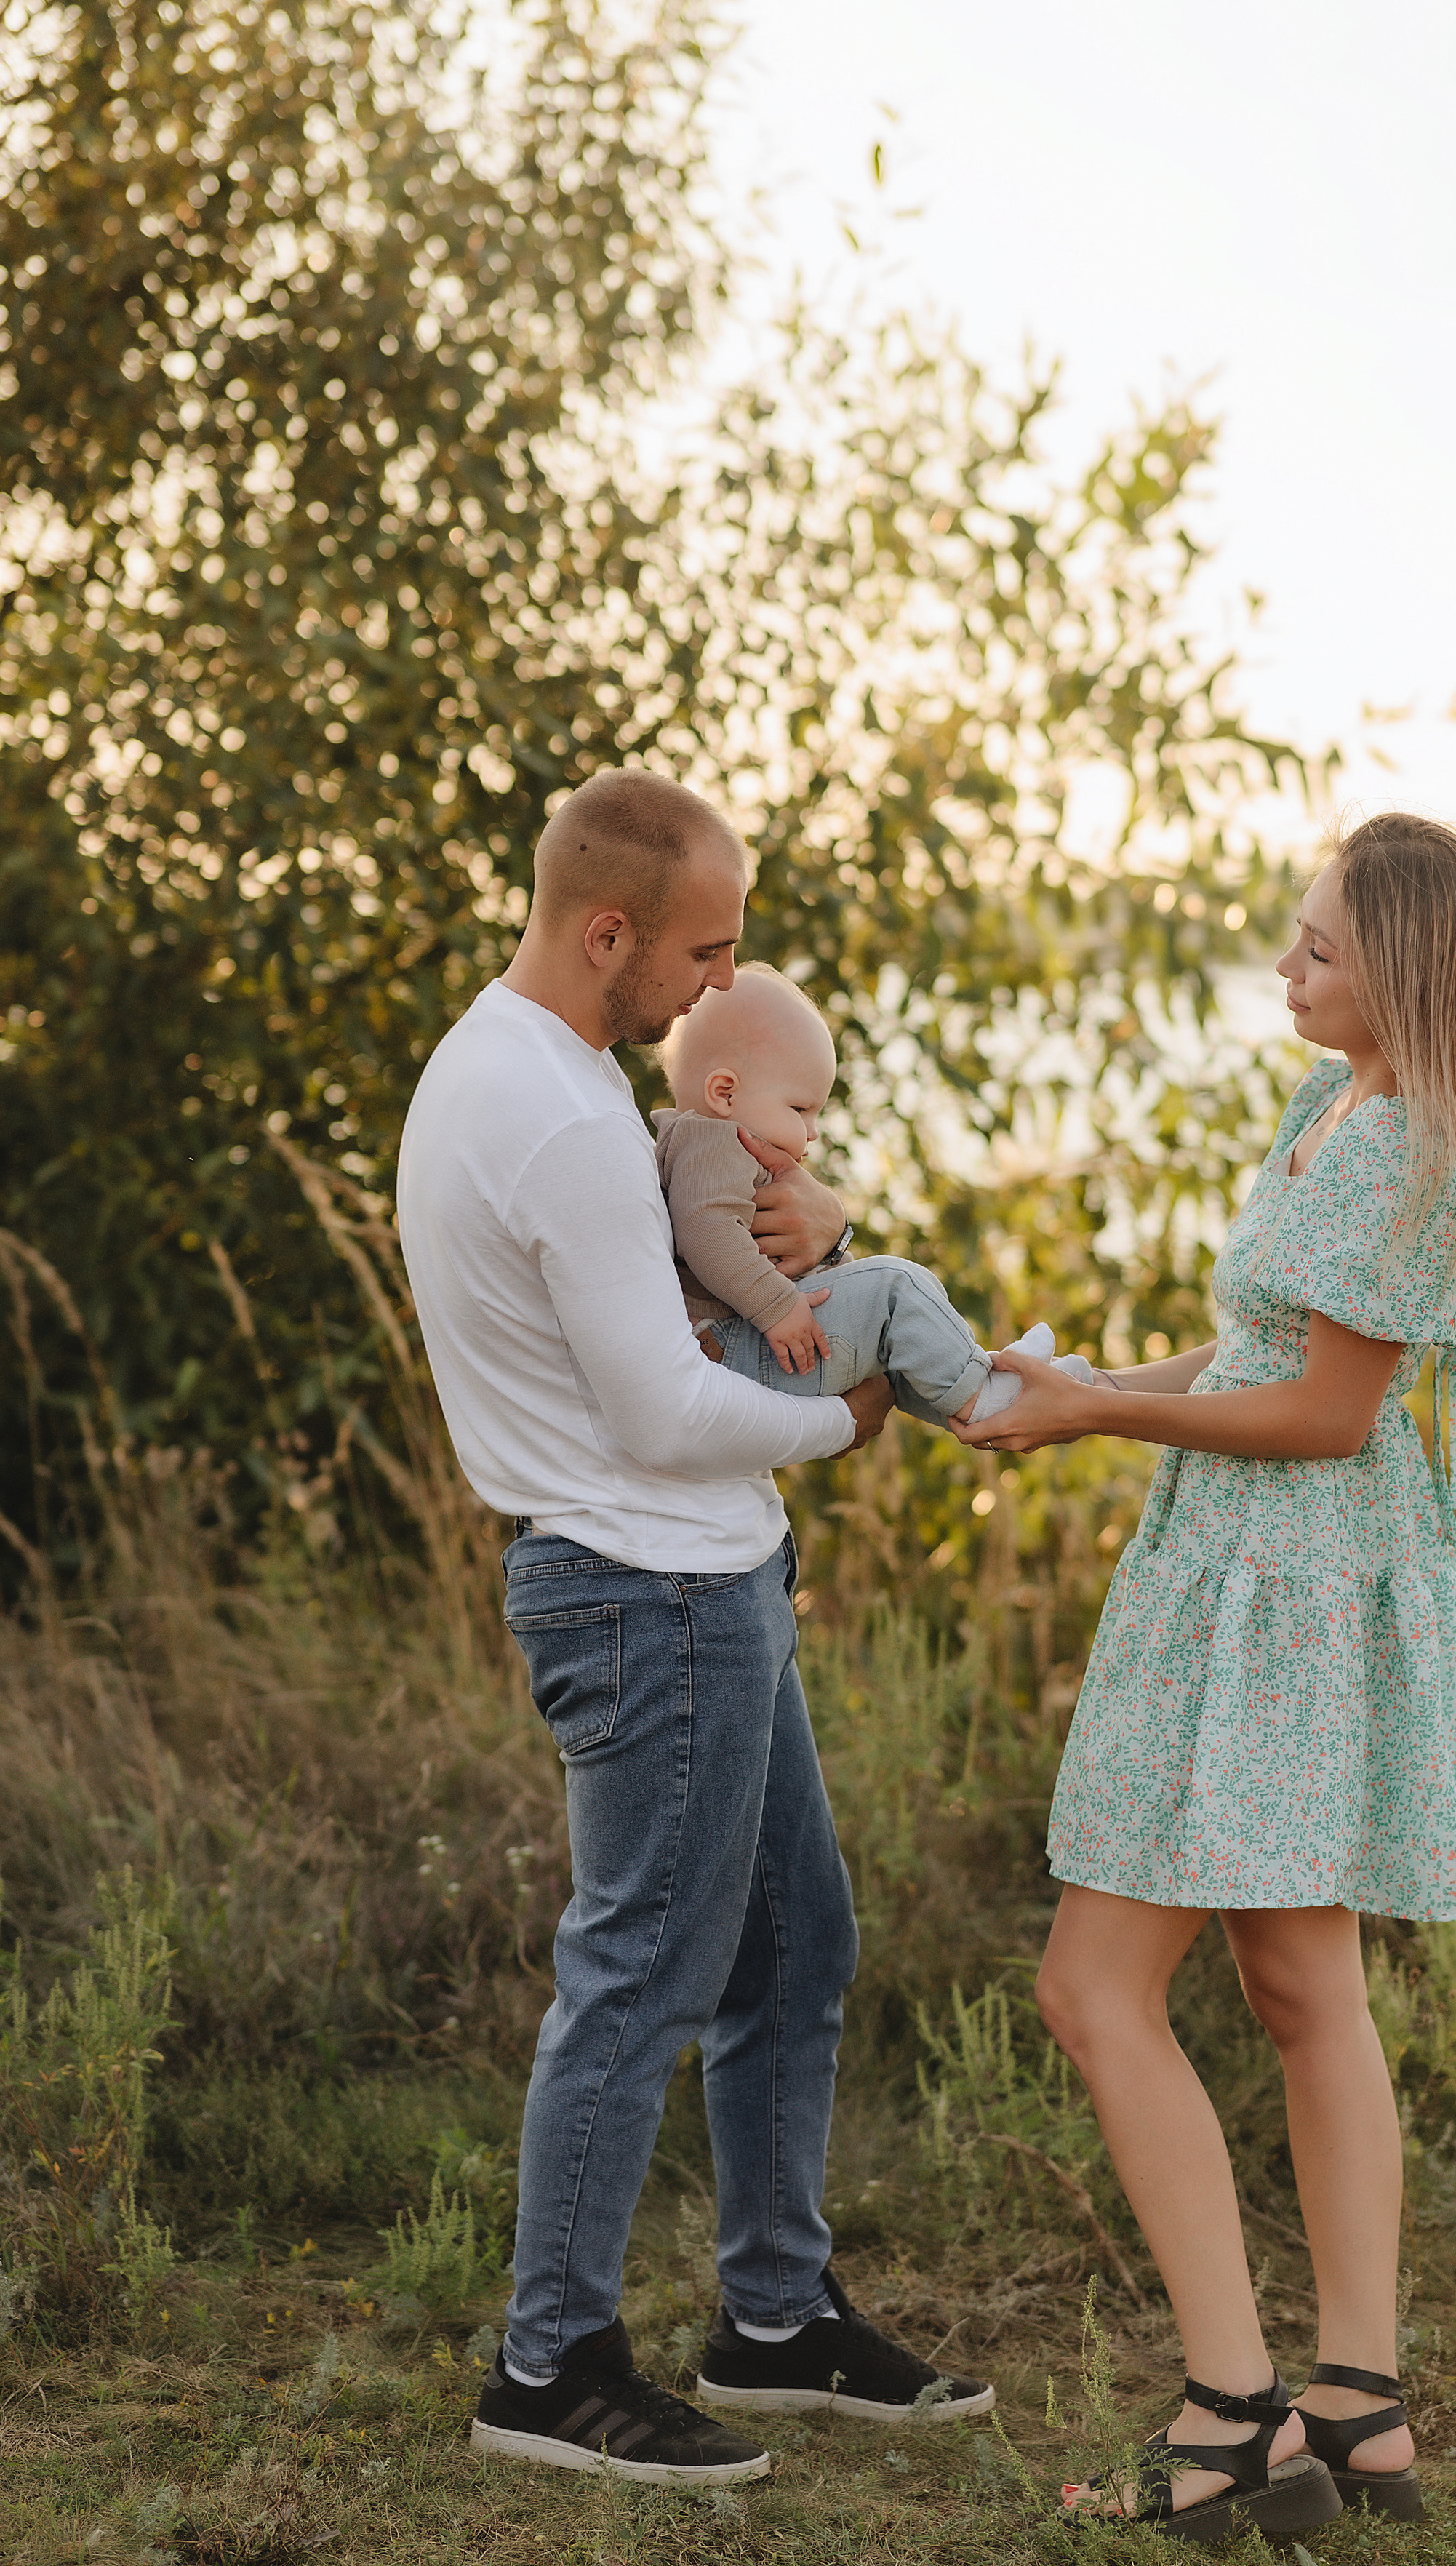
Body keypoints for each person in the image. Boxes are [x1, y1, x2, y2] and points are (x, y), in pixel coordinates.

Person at [396, 767, 996, 2490]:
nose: (716, 989)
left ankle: (772, 2318)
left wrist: (812, 1235)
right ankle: (550, 2360)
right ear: (607, 932)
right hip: (647, 1588)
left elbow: (683, 1273)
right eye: (703, 952)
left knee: (796, 1944)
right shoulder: (564, 1118)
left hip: (695, 1576)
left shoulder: (527, 1072)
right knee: (641, 1969)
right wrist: (850, 1418)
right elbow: (666, 1411)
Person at [961, 812, 1456, 2543]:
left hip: (1281, 1603)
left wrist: (1098, 1412)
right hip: (1256, 1583)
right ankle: (1352, 2403)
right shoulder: (1335, 1110)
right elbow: (1252, 1356)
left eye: (1313, 948)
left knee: (1094, 1987)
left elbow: (1322, 1417)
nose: (1281, 967)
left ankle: (1235, 2411)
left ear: (1403, 970)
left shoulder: (1395, 1151)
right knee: (1302, 1993)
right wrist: (1064, 1386)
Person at [653, 962, 1092, 1426]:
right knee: (895, 1288)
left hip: (759, 1338)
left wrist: (834, 1269)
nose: (813, 1132)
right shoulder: (711, 1142)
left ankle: (1000, 1393)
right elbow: (707, 1232)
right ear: (724, 1093)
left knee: (902, 1338)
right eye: (800, 1108)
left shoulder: (733, 1151)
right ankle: (988, 1392)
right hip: (733, 1344)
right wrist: (778, 1306)